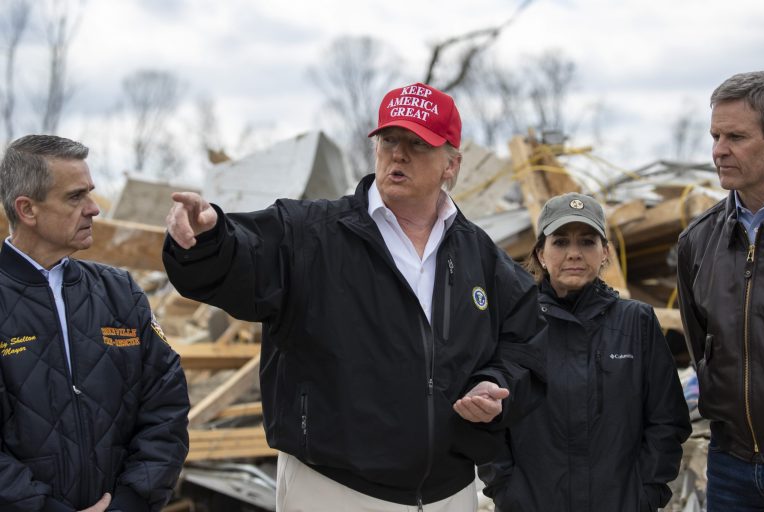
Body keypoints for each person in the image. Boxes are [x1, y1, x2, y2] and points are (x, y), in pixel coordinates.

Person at [163, 82, 546, 511]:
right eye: (388, 140)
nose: (398, 154)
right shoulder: (309, 234)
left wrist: (496, 383)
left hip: (448, 493)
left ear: (451, 166)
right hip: (332, 489)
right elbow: (239, 259)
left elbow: (526, 343)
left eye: (417, 144)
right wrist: (207, 239)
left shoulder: (482, 257)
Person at [0, 135, 190, 512]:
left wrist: (131, 502)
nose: (94, 209)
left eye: (91, 193)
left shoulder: (120, 293)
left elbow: (166, 407)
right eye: (75, 197)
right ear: (27, 209)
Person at [480, 192, 691, 511]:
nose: (574, 254)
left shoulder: (637, 322)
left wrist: (646, 493)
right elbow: (491, 419)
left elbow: (667, 419)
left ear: (605, 251)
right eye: (561, 242)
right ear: (540, 253)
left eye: (588, 242)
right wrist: (508, 491)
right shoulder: (513, 324)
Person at [677, 70, 764, 511]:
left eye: (736, 136)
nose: (718, 151)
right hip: (731, 465)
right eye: (715, 135)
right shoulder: (697, 242)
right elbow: (701, 349)